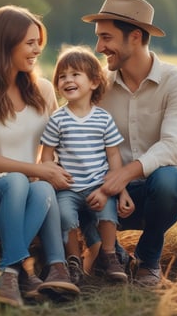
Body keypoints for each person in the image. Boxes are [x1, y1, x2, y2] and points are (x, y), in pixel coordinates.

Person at [0, 5, 80, 307]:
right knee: (20, 180)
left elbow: (55, 148)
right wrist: (36, 170)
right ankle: (15, 269)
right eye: (30, 43)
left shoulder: (44, 90)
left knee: (41, 185)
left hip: (26, 200)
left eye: (39, 42)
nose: (38, 50)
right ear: (5, 43)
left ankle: (46, 269)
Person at [80, 0, 177, 287]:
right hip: (110, 195)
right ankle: (112, 254)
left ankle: (148, 258)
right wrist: (112, 184)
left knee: (169, 180)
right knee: (72, 184)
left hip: (161, 194)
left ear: (134, 37)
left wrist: (125, 174)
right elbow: (79, 142)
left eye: (106, 38)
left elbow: (172, 146)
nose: (99, 47)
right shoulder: (97, 85)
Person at [40, 45, 135, 285]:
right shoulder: (58, 118)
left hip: (98, 186)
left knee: (108, 212)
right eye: (62, 76)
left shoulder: (103, 118)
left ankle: (110, 255)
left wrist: (114, 189)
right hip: (68, 189)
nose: (67, 80)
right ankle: (73, 261)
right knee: (64, 216)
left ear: (93, 82)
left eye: (75, 74)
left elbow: (114, 157)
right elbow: (46, 154)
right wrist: (53, 175)